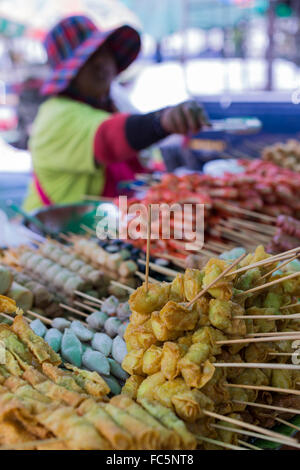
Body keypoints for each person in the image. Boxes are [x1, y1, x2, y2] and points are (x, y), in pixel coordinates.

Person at [23, 16, 209, 211]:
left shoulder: (115, 102)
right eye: (88, 59)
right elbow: (108, 139)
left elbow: (145, 162)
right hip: (58, 232)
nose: (101, 63)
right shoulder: (55, 115)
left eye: (103, 51)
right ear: (70, 75)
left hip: (112, 226)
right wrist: (162, 121)